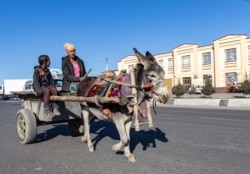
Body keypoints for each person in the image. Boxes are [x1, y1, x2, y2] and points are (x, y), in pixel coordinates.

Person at [33, 55, 61, 121]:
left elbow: (51, 80)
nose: (50, 62)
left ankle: (55, 108)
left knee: (54, 90)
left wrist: (54, 88)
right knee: (46, 92)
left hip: (47, 85)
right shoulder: (37, 70)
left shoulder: (47, 70)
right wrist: (38, 90)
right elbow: (36, 81)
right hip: (41, 86)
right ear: (45, 62)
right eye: (49, 61)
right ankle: (47, 110)